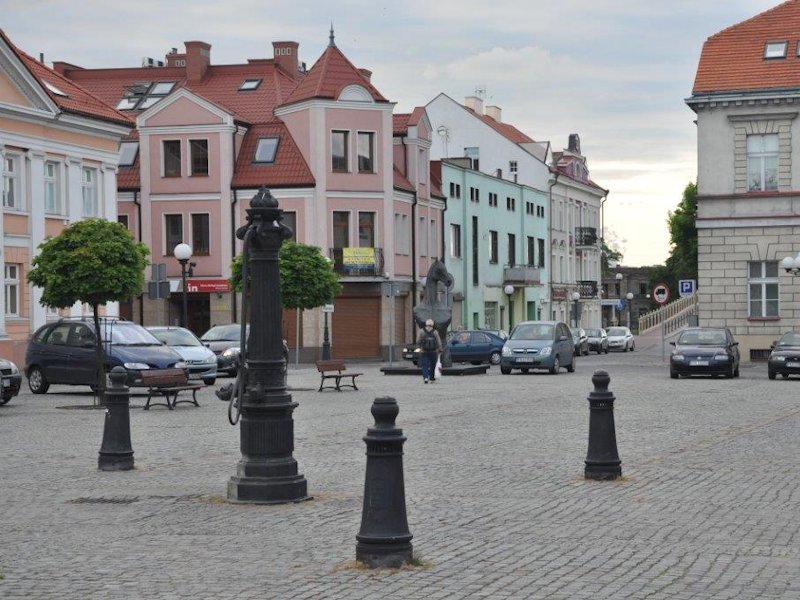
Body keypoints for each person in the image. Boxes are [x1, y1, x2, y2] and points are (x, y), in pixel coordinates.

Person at [416, 318, 442, 384]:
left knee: (424, 365)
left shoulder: (421, 331)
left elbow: (418, 341)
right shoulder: (435, 332)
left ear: (426, 324)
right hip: (433, 351)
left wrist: (420, 347)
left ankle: (425, 378)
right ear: (432, 324)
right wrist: (440, 349)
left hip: (424, 351)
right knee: (432, 365)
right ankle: (432, 378)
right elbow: (439, 341)